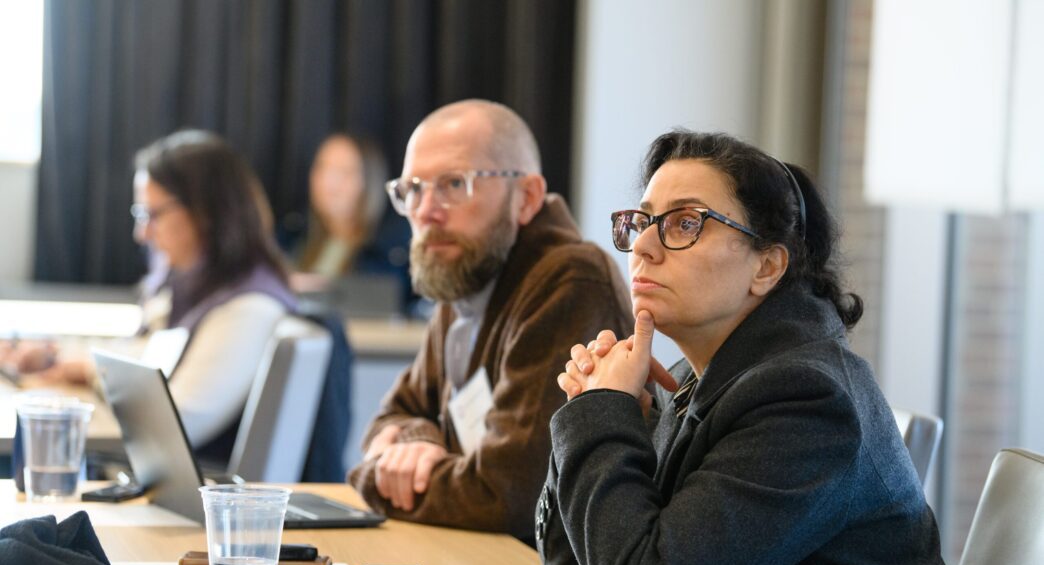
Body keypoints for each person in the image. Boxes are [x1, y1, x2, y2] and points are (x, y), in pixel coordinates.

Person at [541, 131, 993, 565]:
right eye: (643, 221)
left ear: (767, 267)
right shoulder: (694, 379)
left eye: (685, 223)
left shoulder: (806, 401)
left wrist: (600, 415)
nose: (644, 248)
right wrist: (602, 413)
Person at [348, 99, 632, 542]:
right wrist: (416, 440)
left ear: (527, 198)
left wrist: (373, 478)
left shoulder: (570, 281)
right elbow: (392, 419)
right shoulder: (464, 271)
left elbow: (506, 497)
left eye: (453, 184)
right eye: (413, 189)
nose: (425, 210)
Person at [19, 130, 297, 460]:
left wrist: (89, 370)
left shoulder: (249, 306)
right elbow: (144, 355)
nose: (142, 234)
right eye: (140, 215)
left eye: (153, 215)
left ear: (207, 212)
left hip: (191, 497)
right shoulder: (190, 281)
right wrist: (60, 357)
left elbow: (178, 422)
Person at [279, 132, 413, 310]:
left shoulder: (392, 249)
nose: (330, 182)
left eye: (346, 172)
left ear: (369, 179)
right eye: (322, 168)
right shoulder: (291, 235)